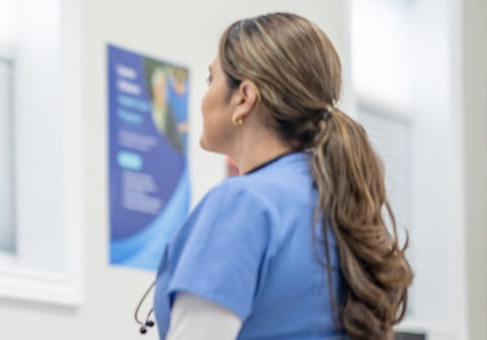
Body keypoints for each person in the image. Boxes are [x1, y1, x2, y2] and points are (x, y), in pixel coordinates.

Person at [149, 13, 412, 339]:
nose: (203, 97)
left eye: (210, 80)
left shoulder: (241, 203)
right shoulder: (340, 204)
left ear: (244, 98)